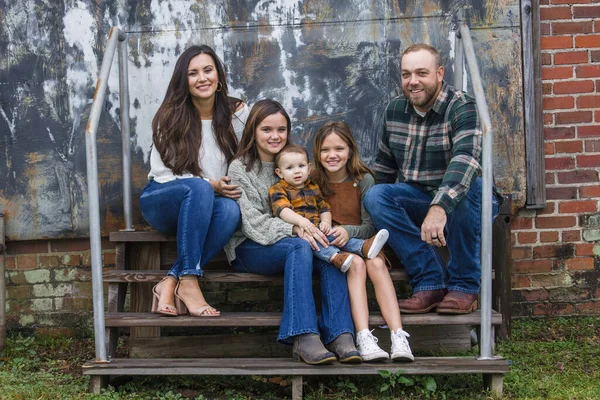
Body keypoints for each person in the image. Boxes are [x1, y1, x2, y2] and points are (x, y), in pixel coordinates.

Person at [364, 43, 500, 315]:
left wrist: (439, 208)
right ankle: (430, 282)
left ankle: (464, 286)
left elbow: (466, 161)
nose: (412, 82)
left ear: (439, 73)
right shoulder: (394, 110)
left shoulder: (462, 107)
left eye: (421, 73)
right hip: (420, 199)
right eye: (406, 74)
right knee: (376, 196)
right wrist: (370, 224)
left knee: (467, 186)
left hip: (468, 203)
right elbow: (385, 167)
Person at [225, 99, 360, 365]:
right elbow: (251, 223)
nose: (275, 136)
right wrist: (296, 228)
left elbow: (316, 204)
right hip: (248, 248)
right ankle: (304, 335)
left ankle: (340, 334)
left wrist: (318, 227)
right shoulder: (240, 167)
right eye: (267, 129)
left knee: (328, 251)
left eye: (281, 129)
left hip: (293, 245)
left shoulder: (293, 163)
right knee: (302, 245)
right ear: (253, 129)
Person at [139, 45, 249, 317]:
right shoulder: (170, 117)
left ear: (219, 76)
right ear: (183, 81)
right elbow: (165, 173)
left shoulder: (237, 116)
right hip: (164, 200)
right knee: (200, 186)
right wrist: (212, 185)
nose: (202, 78)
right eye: (193, 73)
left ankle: (171, 280)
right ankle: (189, 280)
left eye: (208, 70)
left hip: (207, 205)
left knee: (230, 211)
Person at [313, 121, 414, 362]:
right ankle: (363, 335)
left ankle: (398, 335)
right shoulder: (312, 179)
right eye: (325, 150)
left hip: (361, 241)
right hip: (329, 248)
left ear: (350, 150)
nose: (332, 155)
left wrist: (348, 231)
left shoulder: (363, 179)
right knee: (356, 264)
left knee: (377, 264)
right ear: (317, 152)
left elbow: (371, 225)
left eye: (339, 148)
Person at [269, 144, 390, 273]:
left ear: (309, 168)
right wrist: (301, 222)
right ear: (279, 172)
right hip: (297, 234)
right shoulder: (278, 189)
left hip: (316, 227)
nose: (297, 171)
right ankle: (335, 258)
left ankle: (363, 247)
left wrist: (326, 222)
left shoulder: (313, 187)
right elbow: (282, 210)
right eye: (289, 168)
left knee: (331, 235)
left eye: (301, 166)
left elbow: (324, 208)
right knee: (314, 240)